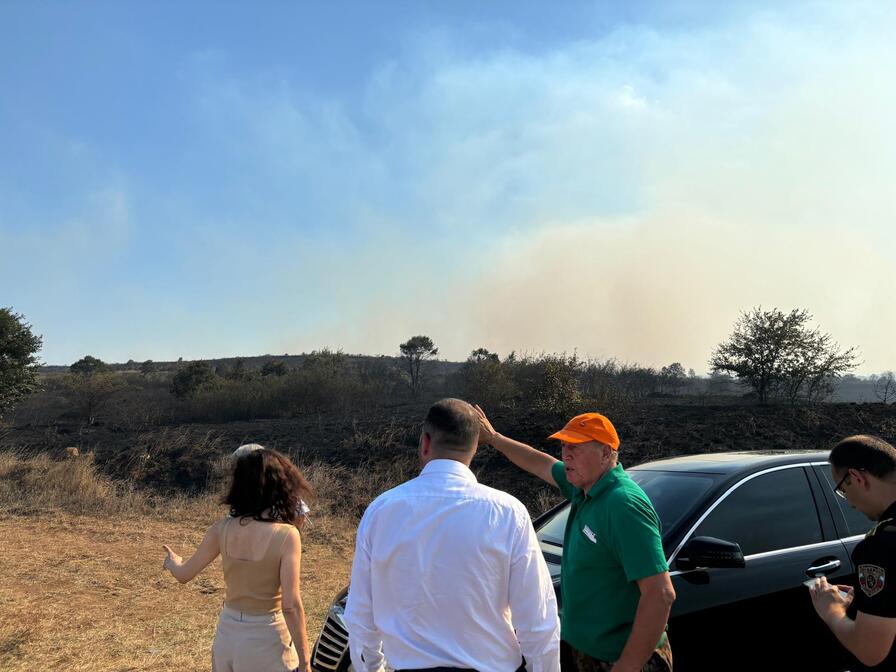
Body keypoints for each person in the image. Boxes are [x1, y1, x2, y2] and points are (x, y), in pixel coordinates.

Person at [344, 398, 561, 672]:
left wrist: (372, 668)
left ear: (425, 443)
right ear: (474, 449)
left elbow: (360, 614)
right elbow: (538, 619)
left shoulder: (381, 511)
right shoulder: (509, 513)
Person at [476, 407, 675, 672]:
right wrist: (495, 438)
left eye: (577, 447)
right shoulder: (584, 487)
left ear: (606, 453)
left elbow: (660, 594)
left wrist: (627, 666)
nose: (566, 454)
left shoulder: (623, 505)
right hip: (586, 651)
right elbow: (541, 463)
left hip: (620, 658)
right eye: (564, 446)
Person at [162, 447, 313, 672]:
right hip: (267, 638)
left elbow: (184, 574)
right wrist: (305, 662)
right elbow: (290, 605)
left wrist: (172, 561)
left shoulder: (221, 529)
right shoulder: (286, 535)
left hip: (227, 634)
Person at [810, 435, 896, 670]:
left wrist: (832, 611)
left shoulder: (881, 547)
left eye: (841, 491)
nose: (849, 503)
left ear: (856, 478)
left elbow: (870, 651)